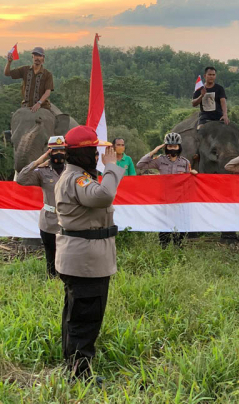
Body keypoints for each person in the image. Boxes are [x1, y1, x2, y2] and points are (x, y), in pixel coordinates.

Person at [54, 125, 124, 383]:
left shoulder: (78, 176)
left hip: (83, 259)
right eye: (93, 150)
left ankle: (72, 366)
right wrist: (112, 166)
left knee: (76, 314)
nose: (97, 155)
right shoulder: (77, 179)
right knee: (85, 319)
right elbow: (104, 195)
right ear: (81, 153)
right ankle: (79, 375)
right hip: (85, 262)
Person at [16, 136, 66, 277]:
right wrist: (38, 161)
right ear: (49, 152)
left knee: (67, 253)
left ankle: (65, 278)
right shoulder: (42, 171)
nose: (59, 153)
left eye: (62, 150)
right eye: (55, 150)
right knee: (51, 254)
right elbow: (21, 179)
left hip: (68, 219)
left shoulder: (70, 171)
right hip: (49, 221)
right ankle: (52, 279)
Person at [137, 132, 197, 246]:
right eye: (170, 146)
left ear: (179, 147)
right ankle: (164, 251)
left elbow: (188, 181)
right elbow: (140, 165)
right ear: (166, 147)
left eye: (175, 146)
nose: (172, 149)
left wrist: (193, 174)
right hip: (164, 200)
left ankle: (178, 250)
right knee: (164, 229)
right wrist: (153, 152)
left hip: (179, 200)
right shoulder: (160, 160)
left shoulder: (185, 162)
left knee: (179, 229)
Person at [4, 46, 54, 111]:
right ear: (32, 57)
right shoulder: (25, 70)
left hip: (42, 106)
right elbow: (7, 73)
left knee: (52, 119)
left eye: (39, 55)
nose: (37, 58)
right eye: (35, 55)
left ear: (43, 58)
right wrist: (9, 62)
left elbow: (48, 92)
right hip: (26, 106)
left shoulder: (48, 74)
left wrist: (39, 103)